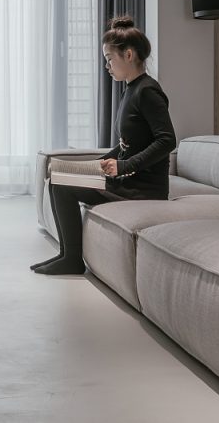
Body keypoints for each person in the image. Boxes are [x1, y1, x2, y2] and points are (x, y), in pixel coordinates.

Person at [31, 15, 176, 275]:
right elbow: (127, 144)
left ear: (128, 55)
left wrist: (124, 166)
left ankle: (72, 260)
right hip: (126, 179)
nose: (107, 66)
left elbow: (167, 141)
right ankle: (66, 255)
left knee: (62, 187)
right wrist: (97, 164)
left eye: (109, 59)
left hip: (142, 188)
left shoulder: (148, 91)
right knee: (57, 178)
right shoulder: (130, 90)